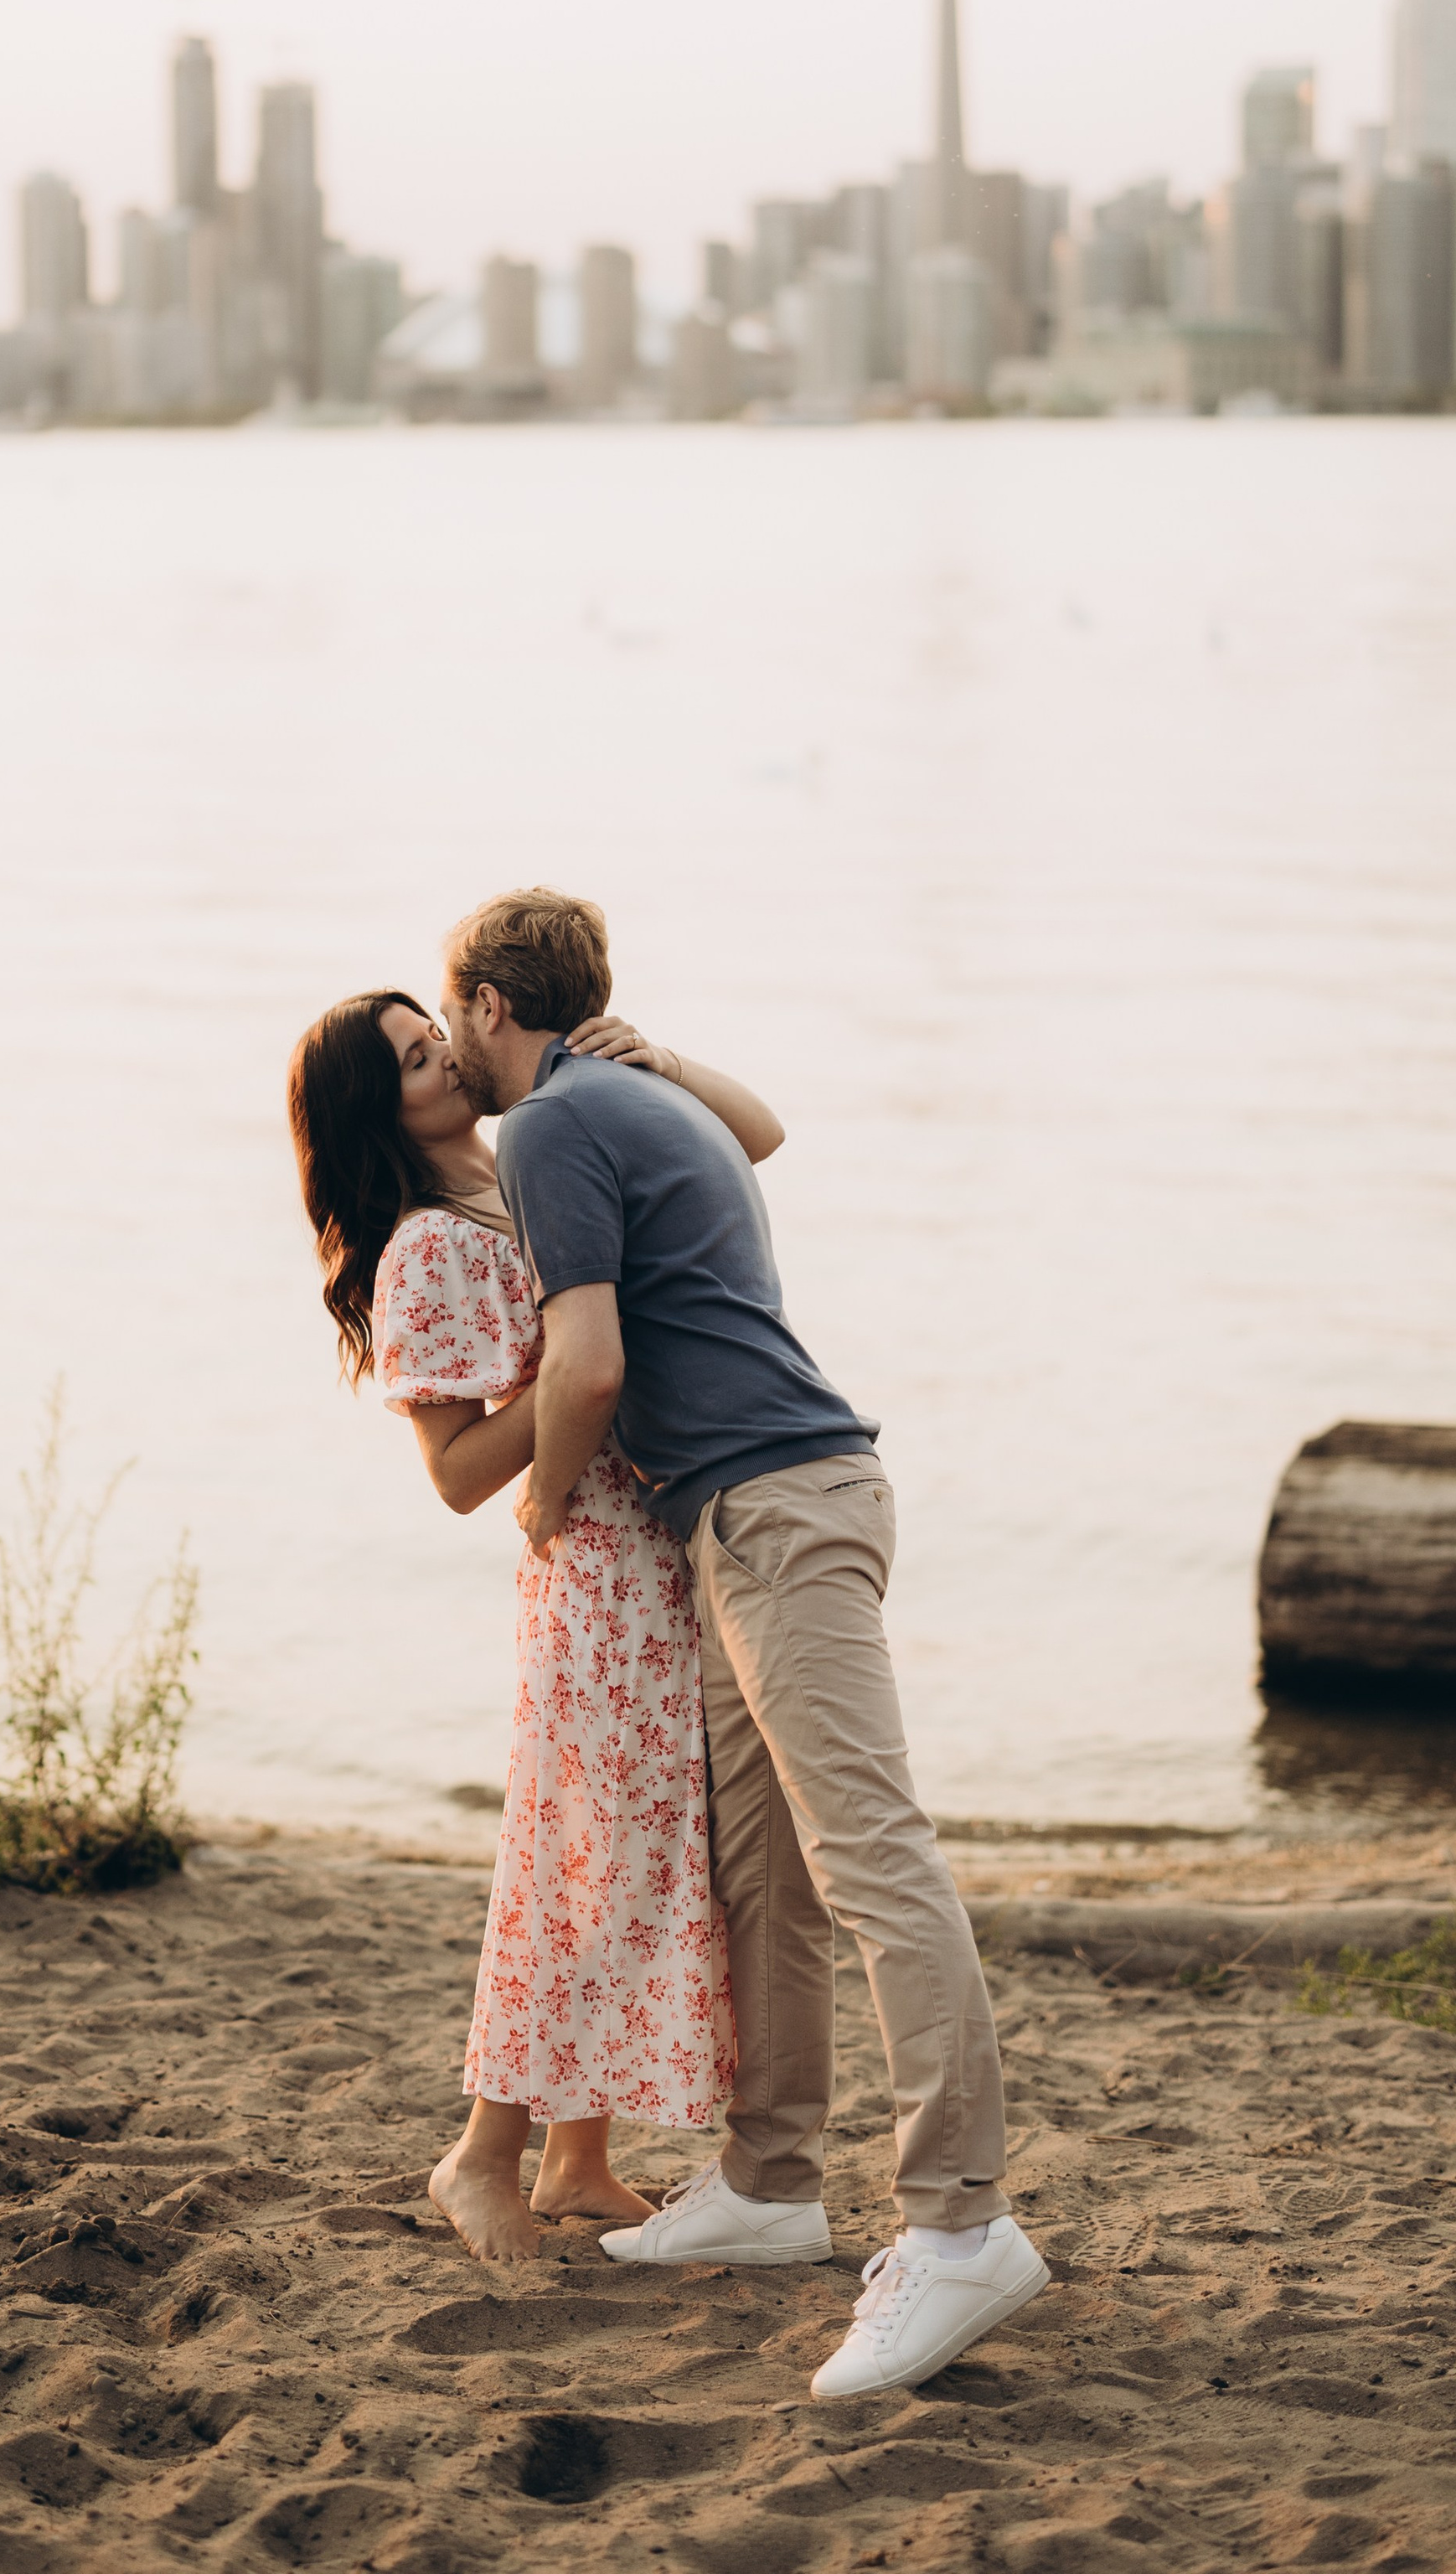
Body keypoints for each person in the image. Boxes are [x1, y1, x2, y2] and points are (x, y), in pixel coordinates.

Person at [438, 886, 1049, 2404]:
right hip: (754, 1513)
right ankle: (771, 2185)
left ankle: (963, 2232)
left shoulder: (556, 1128)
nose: (454, 1050)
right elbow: (763, 1131)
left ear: (492, 1013)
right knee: (762, 1873)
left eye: (457, 1022)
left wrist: (543, 1509)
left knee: (873, 1864)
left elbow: (585, 1359)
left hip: (782, 1509)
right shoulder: (639, 1093)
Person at [287, 983, 780, 2262]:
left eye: (433, 1033)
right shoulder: (431, 1244)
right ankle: (483, 2154)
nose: (440, 1057)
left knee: (618, 1855)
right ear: (373, 1110)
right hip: (593, 1576)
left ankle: (577, 2161)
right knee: (576, 1864)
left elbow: (756, 1139)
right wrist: (568, 1403)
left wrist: (652, 1061)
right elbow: (456, 1475)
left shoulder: (522, 1176)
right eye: (408, 1059)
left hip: (651, 1553)